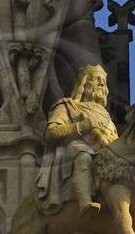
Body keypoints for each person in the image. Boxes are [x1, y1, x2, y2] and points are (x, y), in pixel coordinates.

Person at [35, 64, 118, 215]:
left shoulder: (107, 117)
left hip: (106, 151)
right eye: (96, 79)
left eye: (104, 81)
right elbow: (51, 133)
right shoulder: (68, 106)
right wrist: (82, 126)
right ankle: (85, 202)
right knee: (83, 157)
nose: (101, 83)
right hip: (75, 150)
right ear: (84, 83)